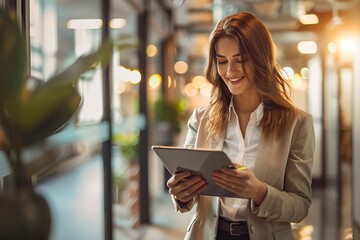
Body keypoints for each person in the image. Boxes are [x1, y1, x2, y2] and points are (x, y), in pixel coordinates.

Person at [166, 12, 315, 240]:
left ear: (260, 58)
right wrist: (181, 194)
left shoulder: (297, 123)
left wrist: (259, 192)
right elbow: (189, 195)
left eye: (240, 60)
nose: (229, 72)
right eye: (222, 61)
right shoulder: (201, 119)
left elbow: (300, 206)